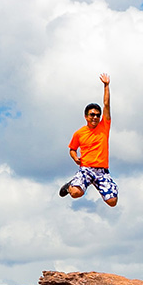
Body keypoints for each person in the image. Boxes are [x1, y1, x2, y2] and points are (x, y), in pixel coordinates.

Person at [59, 73, 118, 207]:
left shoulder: (104, 126)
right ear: (86, 116)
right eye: (92, 114)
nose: (95, 117)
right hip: (86, 169)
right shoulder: (79, 133)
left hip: (102, 171)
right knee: (75, 193)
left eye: (97, 115)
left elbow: (107, 105)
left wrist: (106, 86)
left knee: (112, 202)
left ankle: (108, 187)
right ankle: (70, 186)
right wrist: (75, 158)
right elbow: (72, 149)